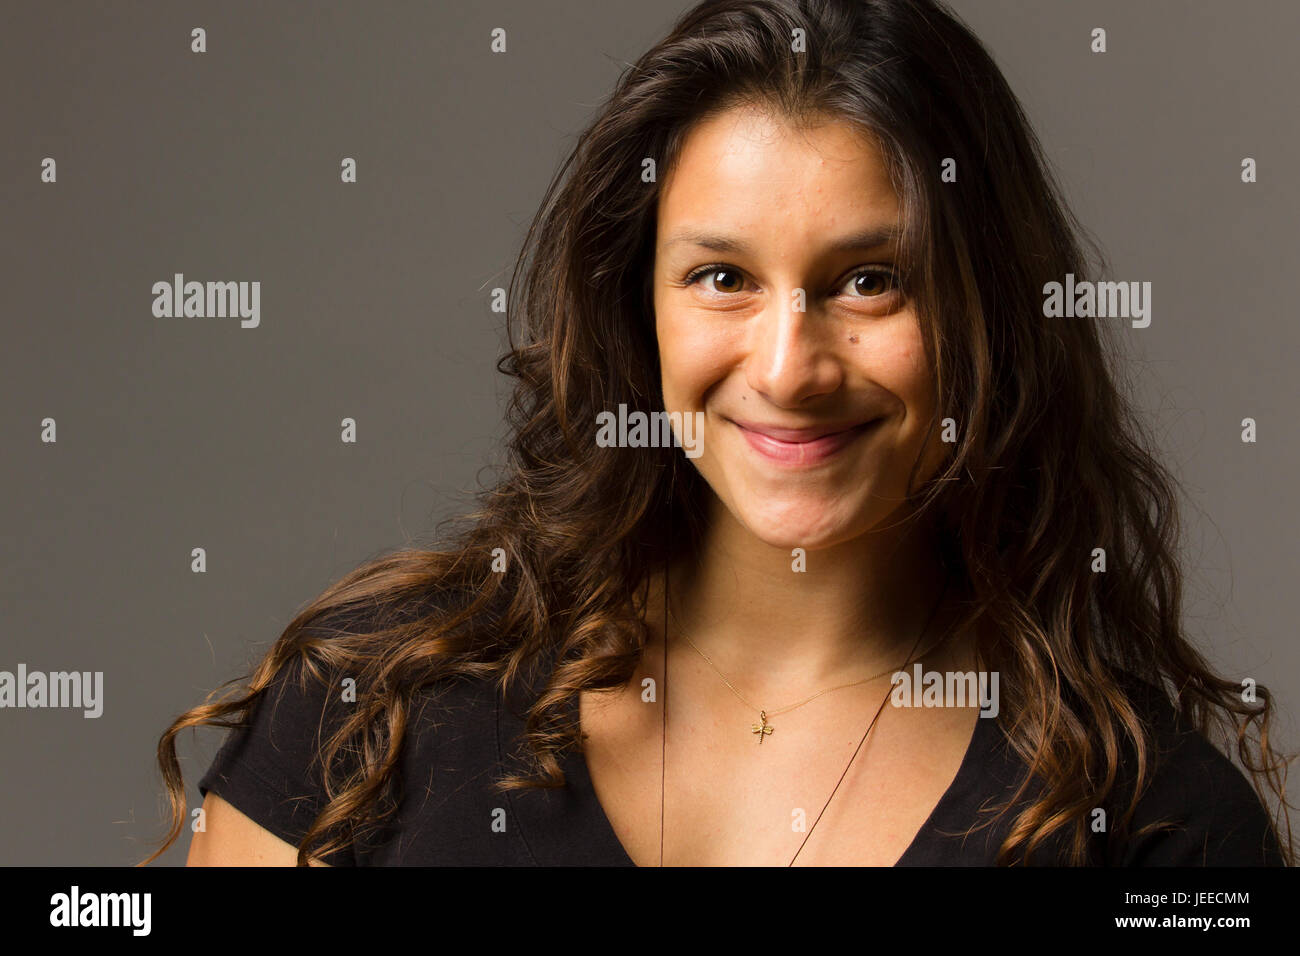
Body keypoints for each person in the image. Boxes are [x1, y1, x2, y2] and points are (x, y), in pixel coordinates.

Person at [145, 0, 1292, 867]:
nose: (788, 367)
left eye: (870, 280)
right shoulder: (372, 706)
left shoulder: (1153, 828)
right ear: (634, 304)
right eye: (721, 275)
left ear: (984, 310)